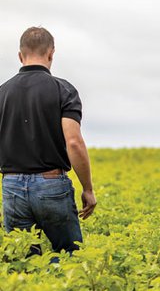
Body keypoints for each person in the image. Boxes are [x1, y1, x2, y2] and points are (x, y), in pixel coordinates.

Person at [0, 26, 96, 255]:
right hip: (51, 183)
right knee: (70, 256)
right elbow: (73, 142)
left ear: (20, 55)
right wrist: (88, 188)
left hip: (11, 185)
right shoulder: (63, 90)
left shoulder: (2, 92)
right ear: (51, 53)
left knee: (23, 261)